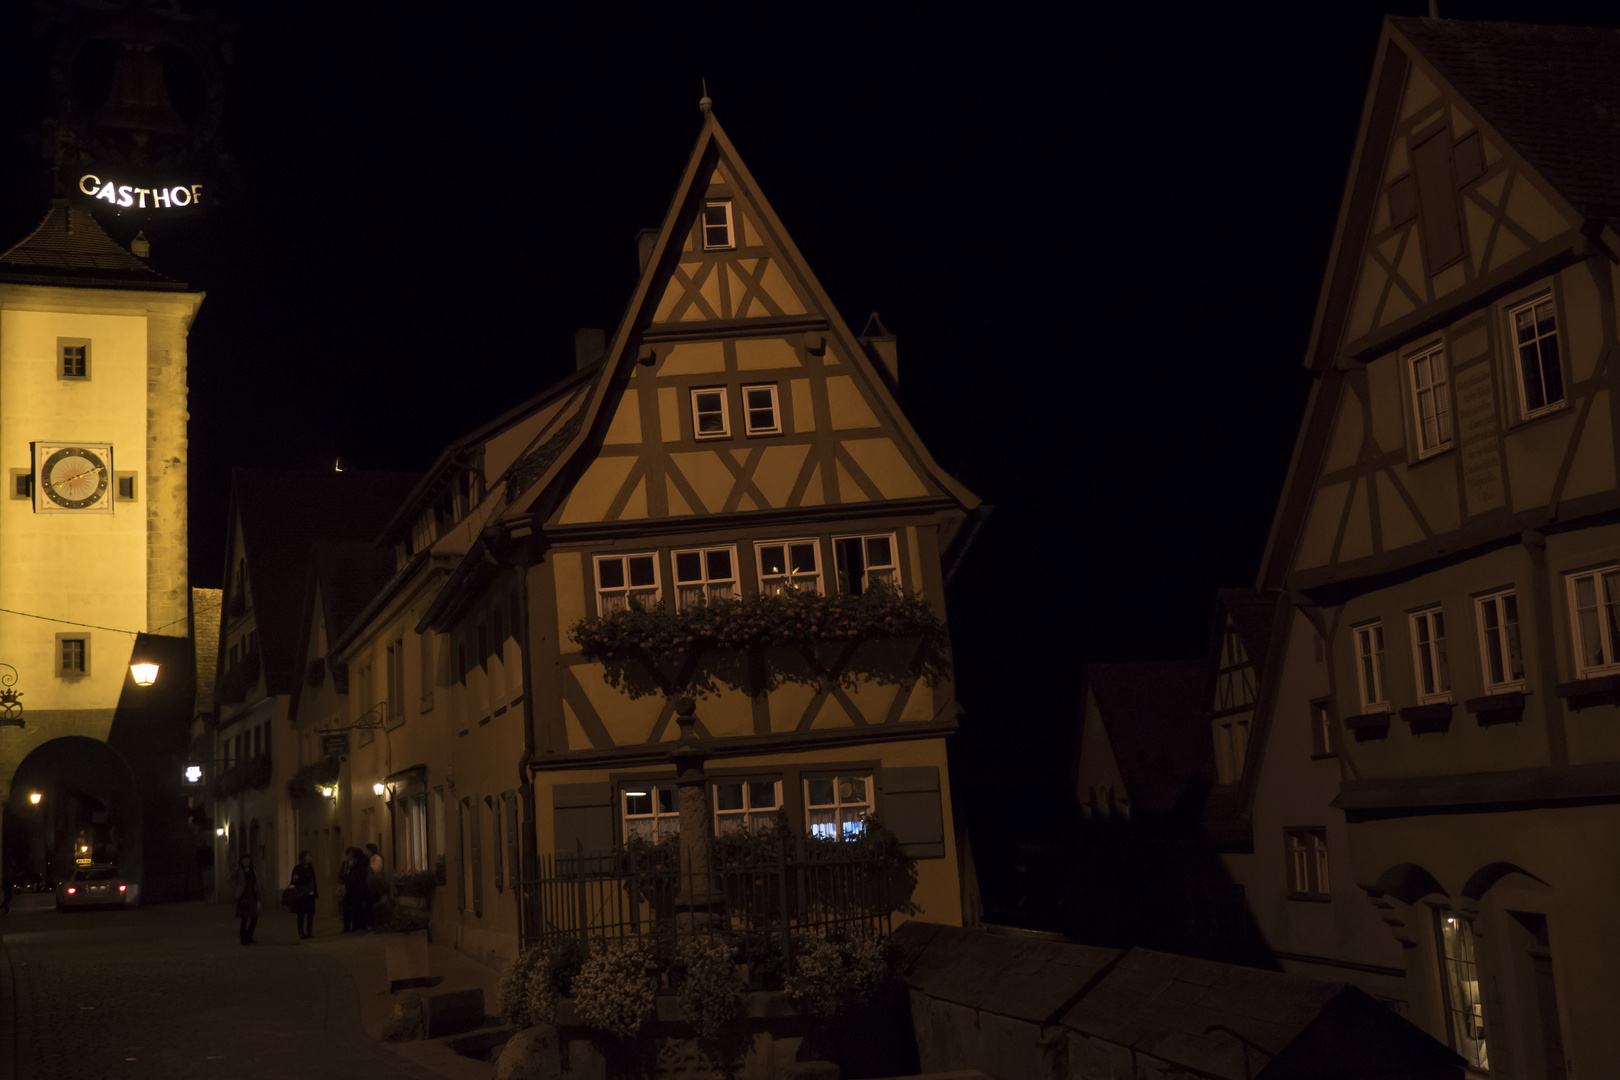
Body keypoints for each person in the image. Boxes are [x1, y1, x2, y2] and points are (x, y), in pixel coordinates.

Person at [227, 855, 260, 945]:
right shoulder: (238, 870)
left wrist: (259, 891)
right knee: (244, 917)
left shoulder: (253, 869)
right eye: (244, 860)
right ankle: (244, 938)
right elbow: (229, 880)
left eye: (248, 860)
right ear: (241, 861)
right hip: (243, 895)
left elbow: (256, 881)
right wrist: (237, 889)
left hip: (252, 895)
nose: (246, 862)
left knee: (254, 917)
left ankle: (249, 936)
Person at [288, 850, 318, 939]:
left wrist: (315, 892)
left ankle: (309, 932)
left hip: (310, 893)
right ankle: (301, 932)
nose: (309, 858)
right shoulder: (297, 868)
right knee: (301, 914)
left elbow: (314, 881)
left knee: (310, 913)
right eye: (307, 856)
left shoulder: (310, 868)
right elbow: (294, 881)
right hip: (301, 894)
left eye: (310, 856)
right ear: (302, 858)